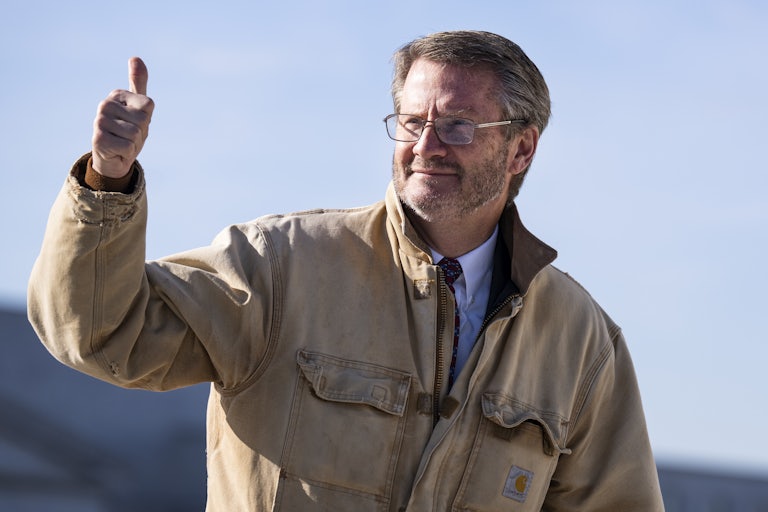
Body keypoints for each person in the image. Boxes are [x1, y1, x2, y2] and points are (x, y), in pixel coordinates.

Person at [28, 30, 664, 511]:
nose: (425, 145)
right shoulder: (281, 264)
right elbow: (102, 335)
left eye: (458, 126)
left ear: (521, 148)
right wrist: (107, 181)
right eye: (413, 122)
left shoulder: (582, 341)